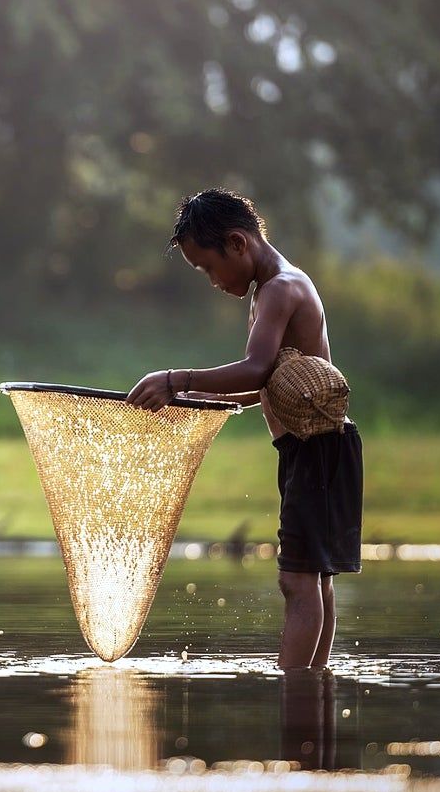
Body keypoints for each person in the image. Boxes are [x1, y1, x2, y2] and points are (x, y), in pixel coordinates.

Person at [128, 189, 362, 669]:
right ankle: (313, 690)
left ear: (237, 243)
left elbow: (256, 370)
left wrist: (176, 380)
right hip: (312, 451)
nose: (212, 280)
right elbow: (262, 387)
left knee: (299, 580)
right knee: (314, 577)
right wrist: (194, 400)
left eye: (209, 268)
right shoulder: (269, 289)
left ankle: (295, 688)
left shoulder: (281, 288)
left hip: (318, 449)